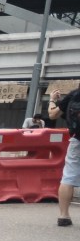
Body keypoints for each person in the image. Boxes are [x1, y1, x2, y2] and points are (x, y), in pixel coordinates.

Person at [49, 85, 79, 227]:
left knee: (68, 177)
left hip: (77, 140)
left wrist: (52, 100)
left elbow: (52, 115)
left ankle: (64, 216)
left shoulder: (74, 95)